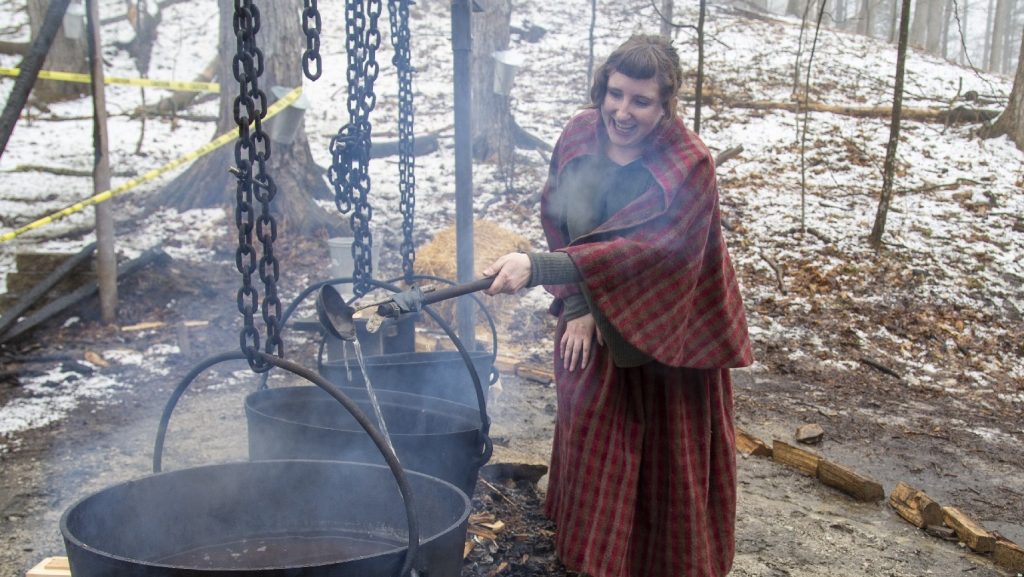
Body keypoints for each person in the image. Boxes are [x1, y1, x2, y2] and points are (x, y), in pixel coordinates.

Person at [483, 35, 753, 577]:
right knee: (595, 440)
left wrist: (541, 267)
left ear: (666, 103)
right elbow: (561, 220)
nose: (622, 112)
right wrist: (580, 304)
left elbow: (653, 256)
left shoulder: (689, 165)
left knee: (662, 464)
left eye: (641, 101)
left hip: (668, 327)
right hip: (593, 314)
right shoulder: (582, 135)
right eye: (615, 94)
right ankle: (593, 562)